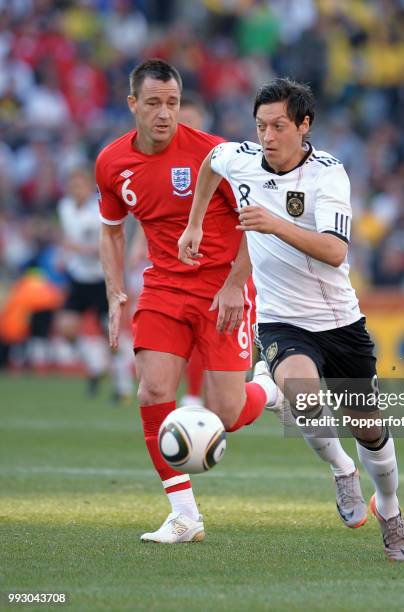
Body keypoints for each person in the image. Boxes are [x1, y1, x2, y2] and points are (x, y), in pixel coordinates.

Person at [179, 78, 404, 561]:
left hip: (340, 322)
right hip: (282, 320)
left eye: (279, 126)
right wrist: (195, 222)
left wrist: (274, 223)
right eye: (261, 125)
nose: (267, 135)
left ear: (304, 126)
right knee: (303, 399)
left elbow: (334, 250)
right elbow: (209, 163)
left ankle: (389, 508)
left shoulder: (328, 175)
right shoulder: (239, 158)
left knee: (367, 425)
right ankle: (342, 471)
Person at [96, 59, 281, 545]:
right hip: (163, 288)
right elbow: (112, 230)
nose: (164, 114)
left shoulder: (216, 155)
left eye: (173, 103)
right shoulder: (112, 163)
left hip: (223, 287)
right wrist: (115, 289)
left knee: (227, 412)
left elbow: (255, 225)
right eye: (154, 103)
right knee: (153, 392)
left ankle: (270, 390)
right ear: (133, 104)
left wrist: (236, 284)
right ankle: (184, 515)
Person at [127, 91, 212, 407]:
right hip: (171, 266)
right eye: (182, 120)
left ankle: (264, 384)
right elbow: (150, 212)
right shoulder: (163, 161)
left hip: (215, 264)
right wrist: (138, 244)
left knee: (227, 400)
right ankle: (190, 397)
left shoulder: (218, 157)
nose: (184, 126)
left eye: (192, 120)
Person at [55, 167, 133, 400]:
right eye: (72, 185)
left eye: (80, 185)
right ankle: (95, 367)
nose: (76, 189)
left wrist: (78, 249)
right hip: (79, 277)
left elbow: (109, 242)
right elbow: (68, 237)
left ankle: (123, 385)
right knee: (66, 328)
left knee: (111, 336)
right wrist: (66, 254)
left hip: (102, 279)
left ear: (89, 187)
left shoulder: (97, 211)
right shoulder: (65, 207)